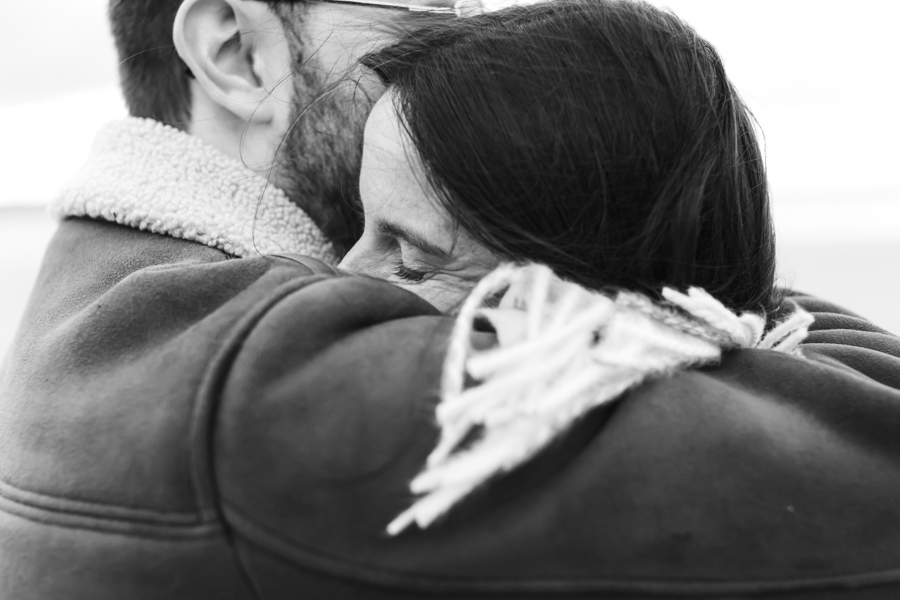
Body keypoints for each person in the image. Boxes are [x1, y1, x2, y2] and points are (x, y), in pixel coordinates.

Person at [1, 3, 900, 600]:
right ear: (237, 51)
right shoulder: (255, 375)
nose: (460, 32)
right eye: (424, 3)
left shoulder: (120, 295)